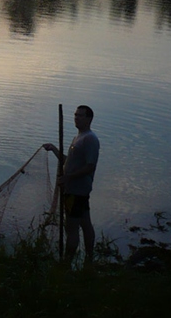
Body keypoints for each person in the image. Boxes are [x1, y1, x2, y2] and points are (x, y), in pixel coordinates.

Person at [44, 105, 100, 267]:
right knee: (85, 223)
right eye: (75, 115)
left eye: (80, 116)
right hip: (75, 190)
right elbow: (69, 161)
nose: (76, 118)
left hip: (77, 191)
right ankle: (89, 260)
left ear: (89, 119)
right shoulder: (79, 137)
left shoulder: (90, 139)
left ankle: (66, 263)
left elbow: (90, 166)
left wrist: (68, 177)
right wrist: (54, 148)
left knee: (71, 227)